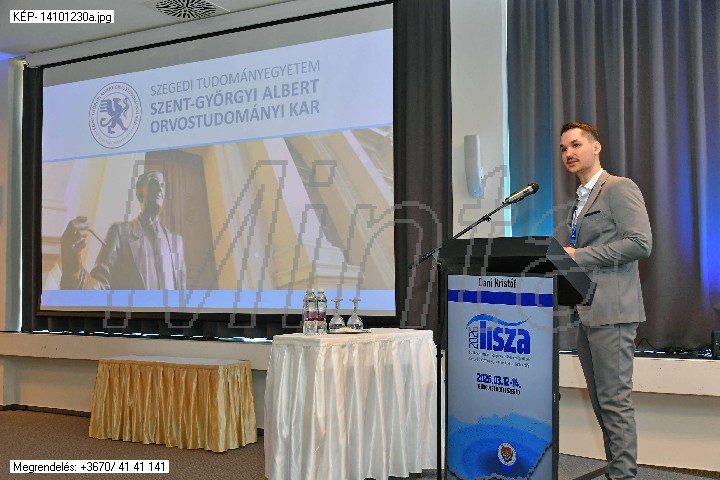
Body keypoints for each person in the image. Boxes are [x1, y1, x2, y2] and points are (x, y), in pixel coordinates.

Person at [560, 121, 652, 480]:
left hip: (614, 311)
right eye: (564, 148)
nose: (569, 153)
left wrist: (578, 256)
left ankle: (623, 475)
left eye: (576, 145)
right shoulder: (580, 200)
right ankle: (617, 470)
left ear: (596, 147)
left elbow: (640, 243)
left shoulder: (618, 187)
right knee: (601, 403)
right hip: (588, 311)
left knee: (614, 403)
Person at [60, 170, 186, 290]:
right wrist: (73, 268)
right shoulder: (120, 233)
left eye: (162, 185)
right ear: (139, 194)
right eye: (154, 183)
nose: (159, 189)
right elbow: (100, 288)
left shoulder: (176, 242)